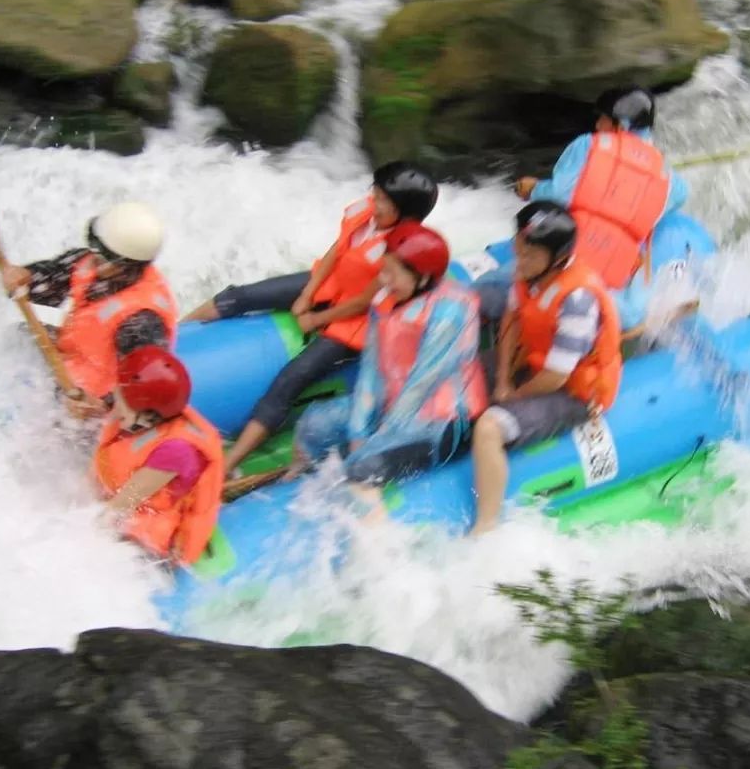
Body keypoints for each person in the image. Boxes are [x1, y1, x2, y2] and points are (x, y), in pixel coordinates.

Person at [182, 162, 440, 475]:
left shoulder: (400, 253)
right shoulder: (367, 213)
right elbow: (336, 250)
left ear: (405, 215)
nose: (375, 201)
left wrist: (316, 321)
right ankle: (177, 333)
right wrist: (307, 295)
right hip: (331, 281)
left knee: (292, 378)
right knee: (241, 296)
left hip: (357, 318)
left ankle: (230, 462)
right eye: (376, 193)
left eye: (384, 200)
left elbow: (363, 302)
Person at [292, 222, 486, 486]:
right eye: (383, 271)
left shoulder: (450, 312)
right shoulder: (385, 300)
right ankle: (295, 479)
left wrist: (377, 439)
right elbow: (371, 370)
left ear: (423, 278)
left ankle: (366, 516)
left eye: (392, 274)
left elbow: (422, 384)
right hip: (389, 404)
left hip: (441, 422)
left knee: (366, 466)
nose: (383, 281)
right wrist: (359, 431)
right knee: (313, 424)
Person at [471, 201, 622, 536]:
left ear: (557, 258)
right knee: (461, 378)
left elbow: (557, 376)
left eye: (530, 254)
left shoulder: (577, 299)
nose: (520, 259)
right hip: (533, 365)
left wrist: (511, 397)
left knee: (489, 427)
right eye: (519, 249)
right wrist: (503, 379)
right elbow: (512, 321)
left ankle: (486, 526)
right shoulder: (528, 274)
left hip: (574, 392)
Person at [0, 201, 177, 418]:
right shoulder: (91, 262)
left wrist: (102, 406)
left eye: (101, 257)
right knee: (18, 335)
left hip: (94, 396)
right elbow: (48, 281)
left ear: (125, 267)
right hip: (74, 357)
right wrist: (24, 277)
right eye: (94, 250)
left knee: (61, 418)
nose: (92, 259)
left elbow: (145, 383)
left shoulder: (142, 322)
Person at [515, 87, 686, 291]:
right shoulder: (669, 180)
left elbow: (559, 195)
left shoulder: (587, 145)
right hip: (615, 282)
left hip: (564, 266)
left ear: (620, 126)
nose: (597, 125)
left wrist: (533, 189)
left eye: (602, 119)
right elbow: (680, 196)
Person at [94, 346, 224, 566]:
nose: (115, 405)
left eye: (121, 403)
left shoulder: (175, 451)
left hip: (149, 540)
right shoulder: (146, 414)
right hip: (120, 501)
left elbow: (121, 506)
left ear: (146, 416)